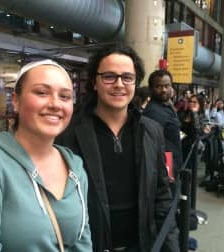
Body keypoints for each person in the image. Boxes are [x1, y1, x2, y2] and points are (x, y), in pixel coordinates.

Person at [0, 59, 92, 251]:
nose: (55, 104)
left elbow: (82, 243)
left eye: (65, 96)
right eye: (41, 92)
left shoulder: (74, 166)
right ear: (15, 100)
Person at [56, 45, 180, 252]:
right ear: (94, 82)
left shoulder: (151, 131)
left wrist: (171, 246)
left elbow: (161, 194)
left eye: (127, 77)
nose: (119, 84)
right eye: (109, 76)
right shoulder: (67, 133)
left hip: (141, 244)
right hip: (89, 245)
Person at [143, 69, 182, 179]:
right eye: (159, 86)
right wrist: (169, 171)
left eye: (167, 86)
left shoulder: (166, 106)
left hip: (174, 161)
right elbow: (154, 145)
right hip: (166, 168)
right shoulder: (153, 111)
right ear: (151, 89)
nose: (164, 90)